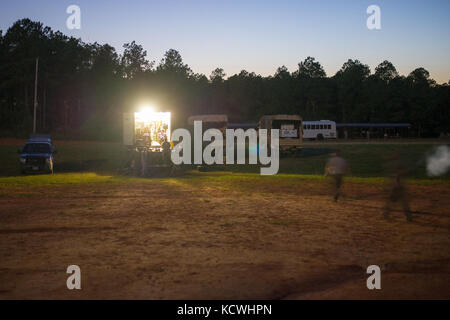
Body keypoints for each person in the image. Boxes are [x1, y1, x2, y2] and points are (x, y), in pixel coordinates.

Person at [384, 152, 412, 222]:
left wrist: (395, 185)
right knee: (402, 202)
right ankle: (408, 217)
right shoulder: (397, 163)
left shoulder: (397, 164)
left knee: (395, 201)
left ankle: (386, 214)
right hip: (398, 187)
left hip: (398, 187)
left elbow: (398, 176)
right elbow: (398, 175)